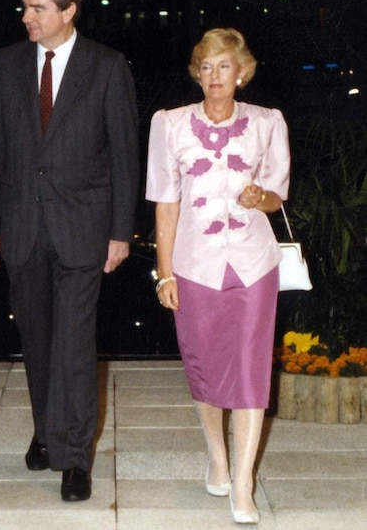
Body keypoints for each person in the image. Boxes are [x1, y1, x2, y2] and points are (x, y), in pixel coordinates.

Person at [0, 0, 139, 502]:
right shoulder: (8, 62)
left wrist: (120, 232)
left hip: (83, 228)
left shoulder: (107, 66)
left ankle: (74, 457)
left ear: (68, 11)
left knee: (73, 342)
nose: (26, 17)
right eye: (25, 6)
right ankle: (46, 433)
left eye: (37, 8)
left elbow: (124, 156)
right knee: (37, 340)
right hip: (22, 225)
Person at [146, 27, 290, 525]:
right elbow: (166, 205)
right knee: (204, 365)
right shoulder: (169, 124)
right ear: (197, 74)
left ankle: (244, 481)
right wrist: (164, 275)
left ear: (242, 73)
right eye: (205, 67)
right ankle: (218, 457)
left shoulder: (268, 123)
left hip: (253, 263)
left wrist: (260, 198)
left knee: (251, 370)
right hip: (194, 266)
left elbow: (277, 196)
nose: (214, 76)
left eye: (224, 66)